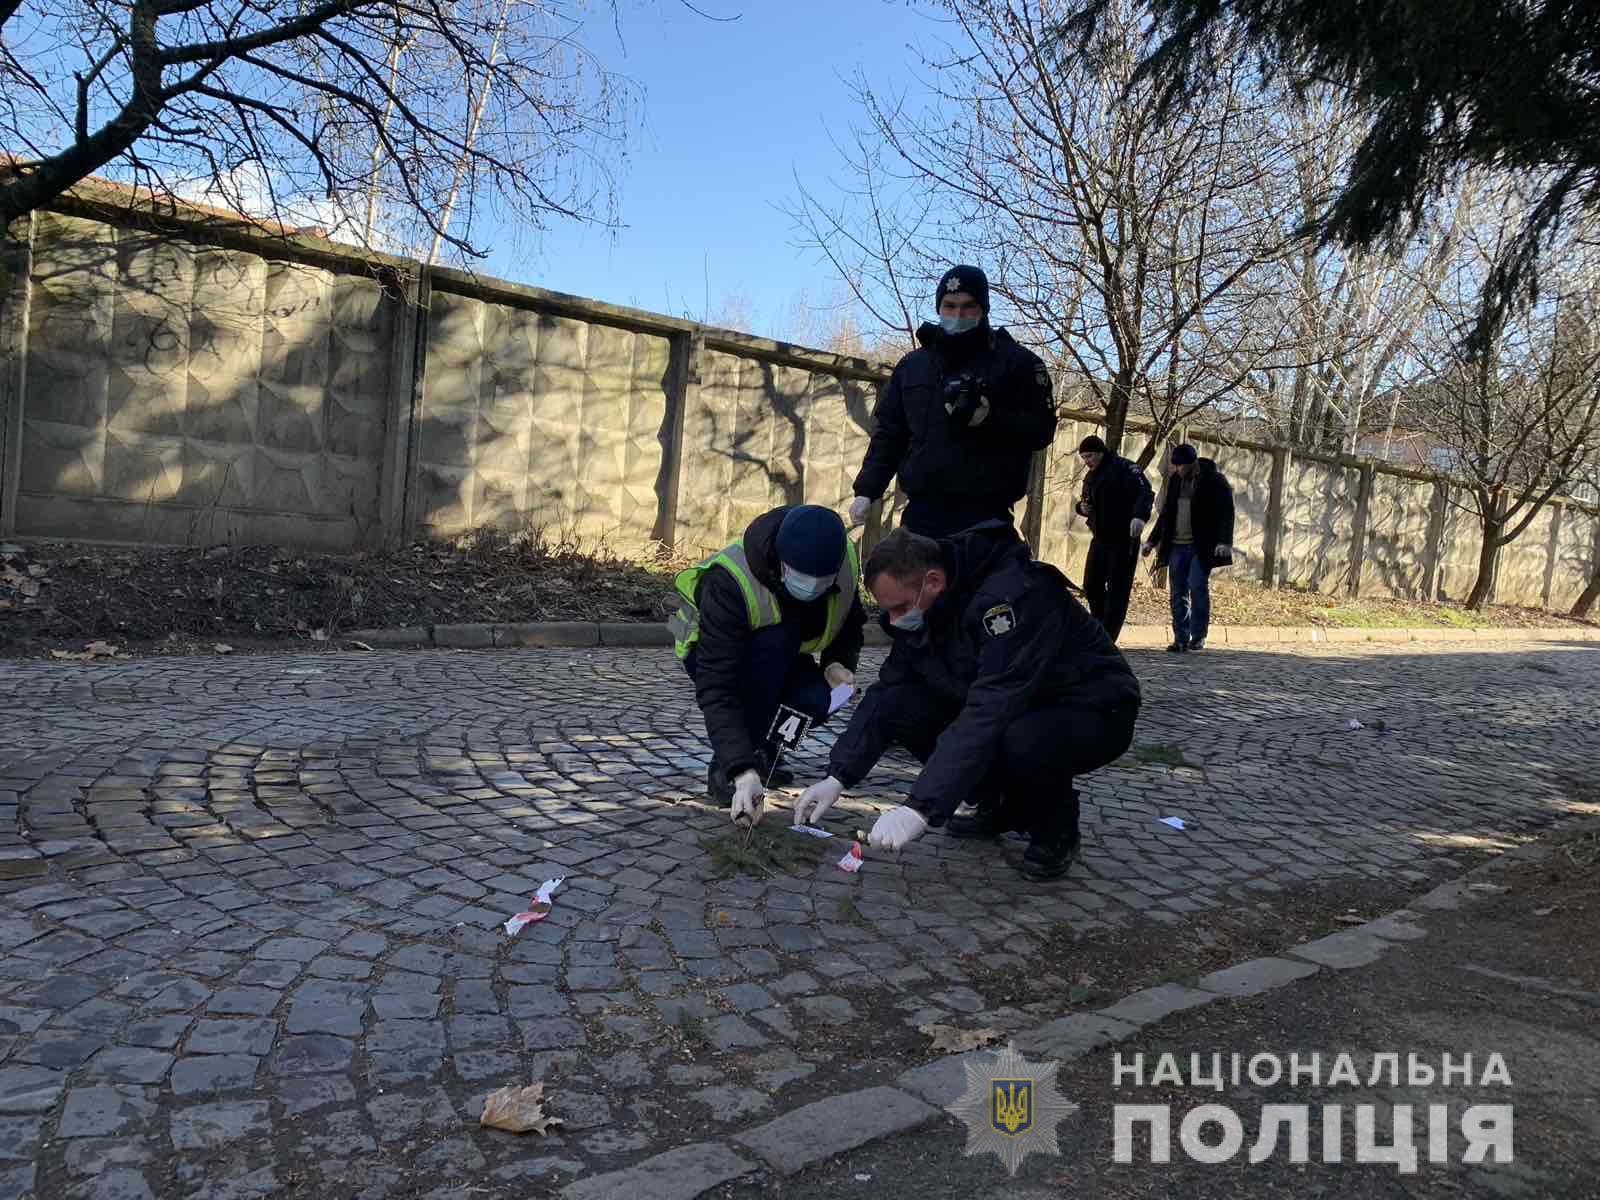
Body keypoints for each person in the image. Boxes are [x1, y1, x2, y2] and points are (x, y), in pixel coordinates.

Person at [792, 524, 1140, 881]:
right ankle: (1001, 805)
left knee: (1023, 739)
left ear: (934, 581)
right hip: (1017, 704)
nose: (894, 622)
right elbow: (888, 690)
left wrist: (920, 808)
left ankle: (1056, 829)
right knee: (901, 704)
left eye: (899, 608)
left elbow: (989, 710)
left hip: (1093, 706)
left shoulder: (1012, 599)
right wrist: (837, 776)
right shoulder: (927, 606)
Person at [667, 504, 866, 824]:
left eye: (822, 581)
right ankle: (731, 764)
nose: (814, 587)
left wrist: (838, 664)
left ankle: (769, 750)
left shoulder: (842, 564)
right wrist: (740, 769)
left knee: (823, 698)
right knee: (776, 645)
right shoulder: (730, 579)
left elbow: (849, 624)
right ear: (781, 562)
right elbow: (718, 686)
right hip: (708, 652)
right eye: (803, 578)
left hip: (784, 657)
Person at [846, 265, 1057, 537]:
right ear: (939, 308)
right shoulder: (914, 366)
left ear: (984, 308)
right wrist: (867, 490)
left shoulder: (1017, 363)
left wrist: (991, 419)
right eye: (949, 306)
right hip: (921, 517)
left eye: (969, 306)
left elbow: (1041, 429)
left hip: (986, 520)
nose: (958, 314)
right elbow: (889, 433)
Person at [1141, 444, 1236, 653]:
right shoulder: (1175, 480)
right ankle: (1180, 638)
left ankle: (1198, 635)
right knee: (1177, 592)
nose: (1177, 470)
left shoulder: (1214, 481)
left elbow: (1226, 513)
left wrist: (1224, 542)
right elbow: (1167, 513)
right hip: (1176, 545)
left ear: (1192, 463)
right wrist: (1151, 541)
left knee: (1196, 585)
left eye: (1181, 466)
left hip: (1201, 546)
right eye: (1175, 466)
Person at [1075, 434, 1154, 642]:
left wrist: (1139, 517)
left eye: (1090, 456)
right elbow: (1086, 501)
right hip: (1100, 537)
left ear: (1100, 452)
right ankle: (1099, 626)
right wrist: (1081, 508)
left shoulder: (1125, 469)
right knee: (1091, 584)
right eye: (1083, 457)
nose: (1087, 461)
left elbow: (1145, 493)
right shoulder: (1091, 475)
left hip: (1123, 538)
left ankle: (1109, 637)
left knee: (1117, 589)